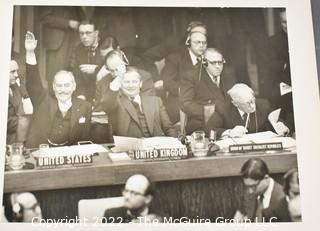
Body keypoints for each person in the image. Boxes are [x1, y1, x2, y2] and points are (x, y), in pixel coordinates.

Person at [24, 31, 91, 148]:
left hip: (69, 156)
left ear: (74, 87)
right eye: (59, 86)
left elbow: (83, 140)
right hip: (40, 152)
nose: (63, 90)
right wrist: (30, 52)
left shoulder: (85, 107)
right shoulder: (42, 101)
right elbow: (33, 82)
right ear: (54, 87)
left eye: (67, 85)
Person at [100, 67, 177, 138]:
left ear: (140, 84)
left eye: (134, 82)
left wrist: (175, 144)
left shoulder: (156, 101)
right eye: (126, 82)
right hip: (129, 149)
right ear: (120, 84)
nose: (131, 85)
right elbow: (106, 103)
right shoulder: (116, 102)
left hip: (155, 147)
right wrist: (119, 77)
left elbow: (169, 128)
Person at [180, 48, 236, 134]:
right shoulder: (192, 77)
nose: (218, 66)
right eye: (213, 63)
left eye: (220, 62)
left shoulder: (229, 75)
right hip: (203, 126)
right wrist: (209, 110)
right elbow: (185, 104)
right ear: (204, 63)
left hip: (228, 125)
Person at [205, 83, 289, 138]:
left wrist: (282, 126)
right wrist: (229, 132)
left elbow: (276, 120)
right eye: (248, 103)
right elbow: (208, 129)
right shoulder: (223, 109)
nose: (253, 105)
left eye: (253, 100)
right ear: (235, 103)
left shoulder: (263, 105)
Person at [161, 25, 208, 123]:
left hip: (203, 103)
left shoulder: (210, 60)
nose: (201, 45)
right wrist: (189, 91)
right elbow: (168, 83)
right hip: (180, 101)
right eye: (197, 42)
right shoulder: (174, 59)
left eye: (204, 43)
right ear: (188, 43)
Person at [234, 158, 286, 222]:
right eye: (247, 186)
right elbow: (241, 211)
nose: (250, 191)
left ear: (266, 178)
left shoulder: (282, 198)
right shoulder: (249, 190)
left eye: (254, 186)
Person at [69, 20, 105, 102]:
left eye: (88, 33)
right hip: (86, 96)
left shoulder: (107, 45)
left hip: (105, 96)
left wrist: (96, 69)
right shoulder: (77, 50)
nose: (84, 36)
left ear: (96, 33)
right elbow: (77, 77)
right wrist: (81, 95)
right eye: (81, 33)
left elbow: (117, 70)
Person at [7, 60, 33, 144]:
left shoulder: (15, 86)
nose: (16, 75)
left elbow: (28, 110)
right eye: (12, 72)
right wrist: (25, 121)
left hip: (19, 140)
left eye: (17, 71)